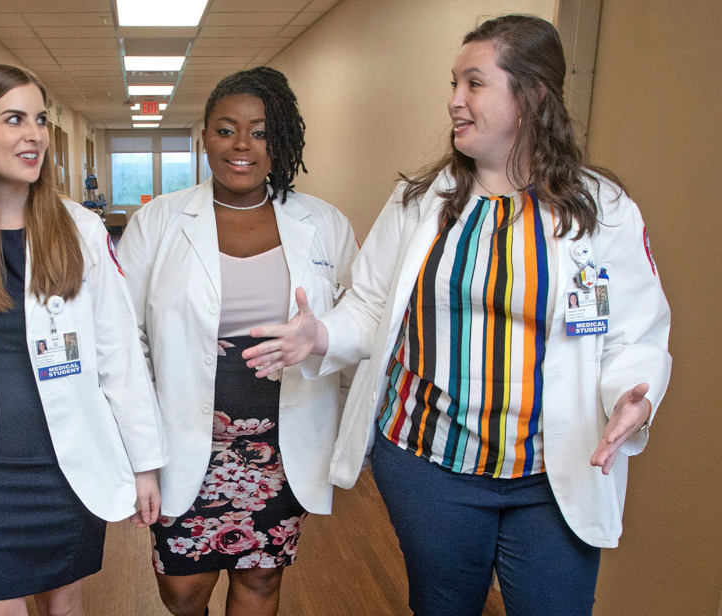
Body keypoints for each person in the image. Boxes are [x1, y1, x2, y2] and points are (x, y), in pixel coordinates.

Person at [264, 15, 671, 615]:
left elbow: (633, 332)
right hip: (431, 464)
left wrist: (631, 399)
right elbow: (372, 305)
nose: (455, 101)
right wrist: (320, 332)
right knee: (443, 605)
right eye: (454, 84)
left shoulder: (601, 210)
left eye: (474, 84)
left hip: (552, 469)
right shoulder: (420, 204)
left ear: (530, 96)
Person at [0, 64, 166, 616]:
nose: (34, 135)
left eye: (39, 120)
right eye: (14, 119)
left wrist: (144, 463)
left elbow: (119, 357)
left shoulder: (80, 230)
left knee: (64, 610)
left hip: (66, 469)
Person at [117, 67, 358, 616]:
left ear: (283, 141)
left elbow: (356, 323)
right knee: (182, 590)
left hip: (280, 438)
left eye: (261, 131)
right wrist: (135, 445)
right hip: (181, 435)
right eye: (226, 130)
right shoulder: (157, 221)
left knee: (262, 579)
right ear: (204, 137)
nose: (242, 145)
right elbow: (122, 336)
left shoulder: (325, 224)